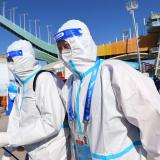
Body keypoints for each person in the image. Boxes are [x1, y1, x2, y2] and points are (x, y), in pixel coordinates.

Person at [54, 19, 160, 160]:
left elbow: (152, 116)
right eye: (60, 48)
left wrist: (155, 156)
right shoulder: (69, 85)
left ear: (82, 42)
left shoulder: (113, 72)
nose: (63, 52)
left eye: (67, 46)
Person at [0, 40, 70, 160]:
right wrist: (9, 148)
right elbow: (16, 118)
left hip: (52, 153)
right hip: (32, 151)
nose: (10, 64)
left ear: (26, 58)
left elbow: (51, 123)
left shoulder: (44, 80)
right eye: (9, 60)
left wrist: (11, 138)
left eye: (13, 60)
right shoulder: (22, 85)